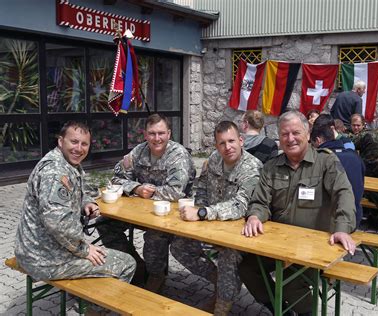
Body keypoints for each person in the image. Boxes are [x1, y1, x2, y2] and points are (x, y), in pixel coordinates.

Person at [239, 110, 356, 315]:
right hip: (276, 244)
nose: (290, 138)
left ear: (308, 133)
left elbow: (343, 194)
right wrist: (255, 215)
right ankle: (280, 309)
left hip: (312, 248)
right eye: (284, 134)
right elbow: (260, 200)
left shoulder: (326, 162)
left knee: (290, 282)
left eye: (296, 132)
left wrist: (342, 229)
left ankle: (306, 313)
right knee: (247, 268)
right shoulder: (271, 167)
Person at [15, 121, 136, 283]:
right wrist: (84, 249)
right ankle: (97, 307)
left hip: (42, 249)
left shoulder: (69, 164)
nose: (79, 148)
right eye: (74, 142)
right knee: (126, 263)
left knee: (107, 248)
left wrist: (86, 203)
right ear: (60, 141)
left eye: (84, 144)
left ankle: (92, 296)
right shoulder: (55, 173)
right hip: (43, 259)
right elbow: (57, 223)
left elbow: (79, 191)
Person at [170, 121, 262, 315]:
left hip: (240, 232)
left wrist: (203, 213)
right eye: (222, 143)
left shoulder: (252, 167)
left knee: (229, 257)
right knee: (180, 246)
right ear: (216, 145)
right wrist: (201, 213)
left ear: (241, 140)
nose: (227, 147)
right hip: (211, 225)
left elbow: (240, 205)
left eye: (231, 141)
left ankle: (221, 306)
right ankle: (220, 281)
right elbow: (202, 187)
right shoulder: (213, 160)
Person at [97, 114, 196, 292]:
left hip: (172, 214)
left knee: (154, 235)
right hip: (140, 212)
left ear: (169, 133)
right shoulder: (138, 151)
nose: (156, 138)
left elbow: (175, 192)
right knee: (105, 224)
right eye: (152, 133)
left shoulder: (178, 155)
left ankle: (156, 275)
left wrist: (148, 194)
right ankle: (135, 265)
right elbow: (116, 179)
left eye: (161, 133)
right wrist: (136, 189)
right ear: (144, 134)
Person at [311, 116, 365, 227]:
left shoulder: (321, 158)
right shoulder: (354, 156)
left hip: (331, 220)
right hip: (355, 217)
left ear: (318, 140)